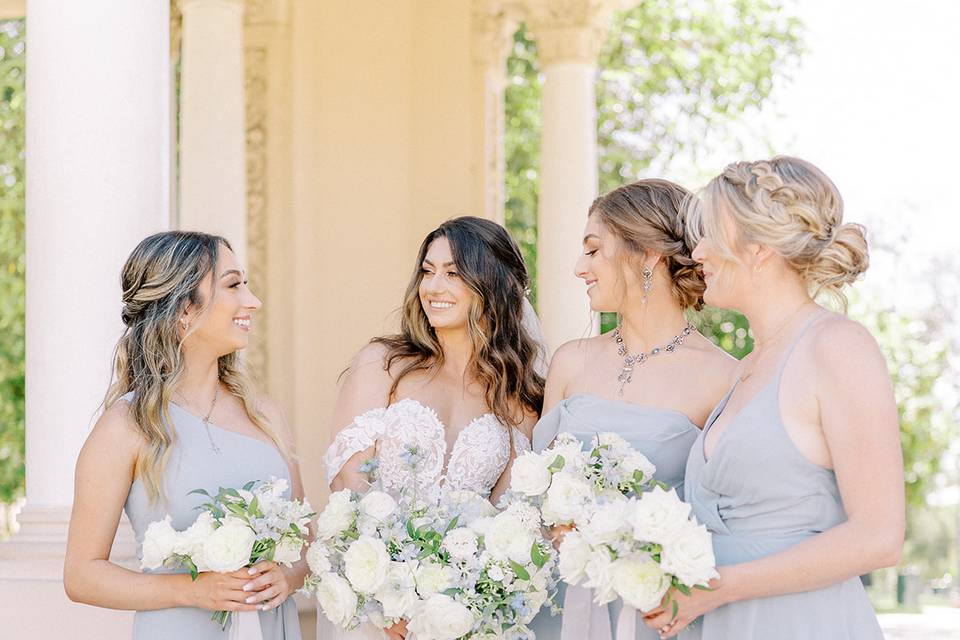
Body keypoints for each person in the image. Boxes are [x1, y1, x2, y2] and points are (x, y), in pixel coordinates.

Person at [64, 231, 306, 639]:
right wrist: (193, 589)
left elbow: (308, 544)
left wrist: (289, 576)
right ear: (184, 310)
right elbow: (81, 576)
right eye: (233, 285)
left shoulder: (265, 414)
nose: (252, 301)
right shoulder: (127, 426)